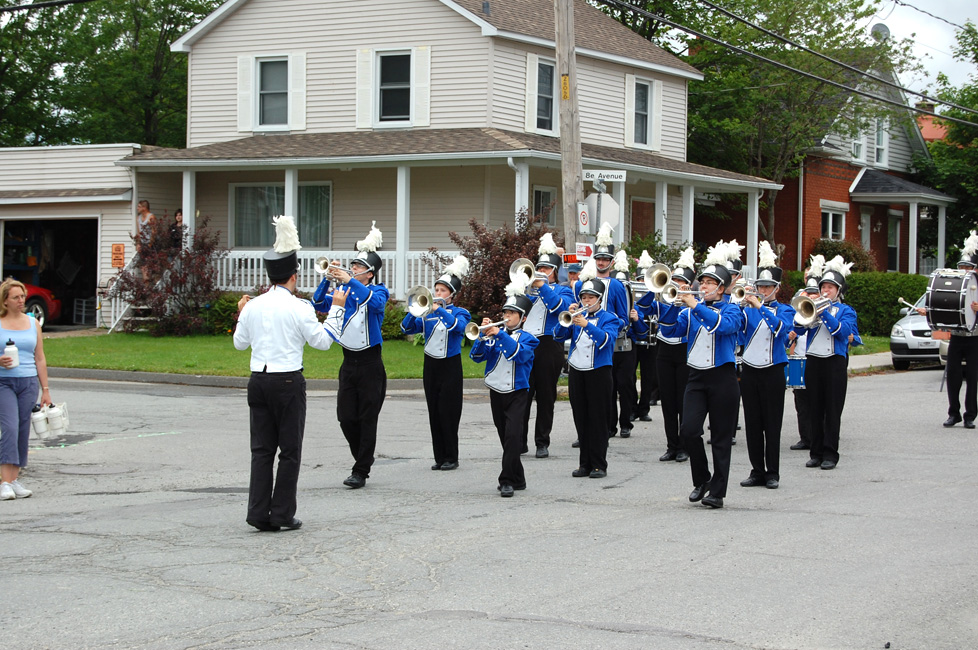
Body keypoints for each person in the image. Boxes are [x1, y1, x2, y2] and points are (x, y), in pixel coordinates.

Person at [234, 216, 346, 531]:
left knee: (261, 450)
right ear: (293, 277)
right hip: (286, 380)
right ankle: (281, 512)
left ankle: (257, 511)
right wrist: (336, 308)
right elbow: (323, 342)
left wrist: (242, 313)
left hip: (258, 379)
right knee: (290, 451)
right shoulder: (300, 308)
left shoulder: (253, 306)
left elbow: (239, 343)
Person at [659, 243, 744, 509]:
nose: (704, 286)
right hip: (695, 377)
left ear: (721, 288)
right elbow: (670, 331)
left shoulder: (733, 309)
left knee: (720, 437)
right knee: (689, 431)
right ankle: (702, 479)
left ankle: (717, 492)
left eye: (710, 283)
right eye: (703, 281)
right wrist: (668, 300)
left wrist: (694, 304)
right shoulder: (690, 309)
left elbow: (722, 327)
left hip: (722, 378)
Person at [312, 222, 389, 489]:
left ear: (369, 274)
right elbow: (318, 303)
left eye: (357, 268)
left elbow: (376, 304)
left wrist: (349, 283)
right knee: (346, 417)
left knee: (367, 417)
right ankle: (363, 458)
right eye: (352, 266)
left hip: (370, 363)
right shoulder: (343, 290)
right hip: (348, 362)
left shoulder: (377, 291)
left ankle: (360, 469)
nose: (352, 270)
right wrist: (326, 278)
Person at [401, 255, 472, 470]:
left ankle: (451, 457)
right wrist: (415, 311)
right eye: (437, 290)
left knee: (448, 411)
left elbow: (456, 328)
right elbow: (406, 328)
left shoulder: (461, 313)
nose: (438, 294)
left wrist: (439, 309)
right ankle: (439, 457)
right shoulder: (427, 314)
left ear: (452, 295)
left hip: (450, 366)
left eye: (442, 291)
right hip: (431, 365)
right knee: (434, 410)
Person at [469, 277, 538, 497]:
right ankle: (518, 477)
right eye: (505, 313)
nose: (506, 318)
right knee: (503, 435)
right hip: (496, 391)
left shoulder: (529, 338)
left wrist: (499, 335)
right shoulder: (495, 335)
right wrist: (481, 337)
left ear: (523, 318)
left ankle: (506, 480)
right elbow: (477, 357)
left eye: (512, 314)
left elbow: (519, 354)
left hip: (517, 393)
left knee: (512, 436)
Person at [737, 242, 794, 490]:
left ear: (777, 289)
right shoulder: (747, 310)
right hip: (749, 370)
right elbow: (736, 333)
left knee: (772, 424)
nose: (764, 289)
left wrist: (761, 307)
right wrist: (739, 304)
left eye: (768, 286)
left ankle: (773, 472)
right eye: (760, 286)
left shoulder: (786, 310)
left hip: (773, 371)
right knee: (752, 424)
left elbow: (781, 332)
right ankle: (756, 470)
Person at [795, 255, 860, 470]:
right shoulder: (813, 306)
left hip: (834, 363)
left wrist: (825, 314)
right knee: (814, 408)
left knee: (832, 410)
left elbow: (843, 333)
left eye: (831, 288)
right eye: (824, 287)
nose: (826, 291)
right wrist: (805, 315)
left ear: (838, 291)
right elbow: (797, 330)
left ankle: (830, 453)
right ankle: (816, 452)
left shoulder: (846, 311)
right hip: (814, 361)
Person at [635, 247, 697, 463]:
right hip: (664, 351)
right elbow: (640, 309)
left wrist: (680, 297)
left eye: (681, 282)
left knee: (682, 401)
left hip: (684, 351)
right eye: (674, 281)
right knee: (668, 402)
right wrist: (654, 289)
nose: (676, 286)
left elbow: (679, 322)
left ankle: (684, 446)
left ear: (688, 285)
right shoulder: (662, 301)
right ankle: (671, 446)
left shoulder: (690, 305)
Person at [558, 279, 621, 479]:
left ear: (599, 299)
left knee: (598, 419)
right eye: (584, 297)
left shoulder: (610, 318)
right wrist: (566, 317)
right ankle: (584, 463)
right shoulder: (577, 316)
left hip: (599, 371)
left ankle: (599, 464)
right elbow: (558, 336)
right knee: (581, 417)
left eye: (591, 297)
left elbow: (606, 340)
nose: (586, 301)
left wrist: (586, 325)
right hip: (577, 370)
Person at [574, 222, 629, 439]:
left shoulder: (616, 285)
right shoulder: (582, 284)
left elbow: (624, 317)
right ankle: (585, 431)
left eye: (606, 259)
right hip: (583, 339)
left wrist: (607, 323)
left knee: (609, 386)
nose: (602, 262)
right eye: (599, 259)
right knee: (584, 392)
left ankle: (608, 426)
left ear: (612, 262)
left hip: (608, 338)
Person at [521, 234, 574, 458]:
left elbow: (557, 308)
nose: (541, 270)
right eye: (539, 266)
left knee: (545, 396)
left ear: (555, 270)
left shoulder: (563, 290)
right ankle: (519, 440)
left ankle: (542, 441)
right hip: (525, 343)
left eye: (546, 268)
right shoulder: (526, 289)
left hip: (549, 344)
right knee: (522, 394)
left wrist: (542, 286)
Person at [0, 278, 52, 501]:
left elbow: (39, 357)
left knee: (22, 430)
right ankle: (4, 482)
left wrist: (45, 389)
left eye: (22, 296)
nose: (21, 300)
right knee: (10, 428)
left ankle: (14, 480)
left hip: (28, 382)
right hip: (3, 382)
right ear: (5, 301)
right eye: (16, 297)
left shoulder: (33, 324)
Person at [936, 232, 978, 429]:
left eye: (968, 267)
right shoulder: (954, 284)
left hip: (975, 338)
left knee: (972, 377)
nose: (964, 270)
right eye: (962, 267)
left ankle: (970, 415)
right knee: (952, 375)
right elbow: (943, 306)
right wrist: (927, 311)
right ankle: (954, 413)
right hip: (957, 337)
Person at [787, 258, 824, 451]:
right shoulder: (799, 298)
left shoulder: (826, 302)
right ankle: (805, 437)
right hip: (799, 354)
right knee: (800, 399)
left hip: (817, 357)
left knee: (818, 398)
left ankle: (821, 435)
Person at [630, 251, 660, 424]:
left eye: (646, 280)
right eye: (641, 280)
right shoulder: (633, 296)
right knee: (631, 377)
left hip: (651, 339)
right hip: (635, 340)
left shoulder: (654, 295)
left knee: (648, 376)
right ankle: (632, 408)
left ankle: (644, 409)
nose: (643, 283)